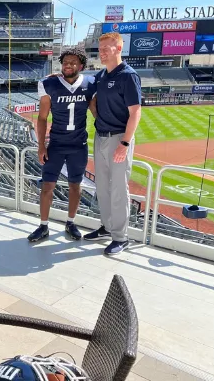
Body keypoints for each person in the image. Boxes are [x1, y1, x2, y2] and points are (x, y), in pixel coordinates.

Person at [28, 47, 94, 244]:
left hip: (78, 144)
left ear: (81, 65)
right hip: (56, 144)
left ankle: (70, 222)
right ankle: (43, 225)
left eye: (73, 62)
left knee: (76, 185)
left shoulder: (90, 83)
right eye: (65, 62)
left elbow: (97, 111)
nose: (68, 65)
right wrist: (41, 145)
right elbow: (42, 117)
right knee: (47, 186)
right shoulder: (50, 84)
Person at [86, 32, 142, 256]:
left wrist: (125, 143)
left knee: (119, 189)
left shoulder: (128, 76)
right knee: (102, 187)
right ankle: (107, 228)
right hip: (100, 136)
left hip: (119, 138)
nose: (102, 53)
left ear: (119, 49)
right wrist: (97, 116)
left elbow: (136, 112)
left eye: (106, 49)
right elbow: (89, 98)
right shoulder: (100, 75)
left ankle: (121, 237)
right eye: (100, 49)